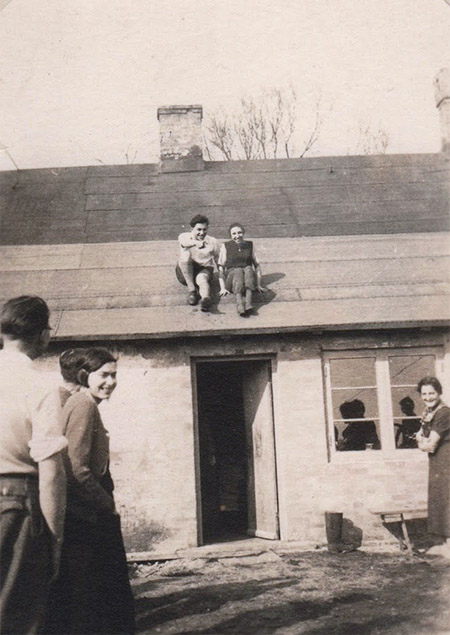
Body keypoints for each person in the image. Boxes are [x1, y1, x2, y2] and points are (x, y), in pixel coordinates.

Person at [45, 347, 135, 634]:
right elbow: (76, 468)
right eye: (104, 375)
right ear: (85, 376)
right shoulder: (84, 405)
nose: (111, 382)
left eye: (114, 375)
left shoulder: (80, 402)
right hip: (86, 511)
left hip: (84, 506)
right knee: (96, 589)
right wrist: (105, 503)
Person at [0, 295, 67, 635]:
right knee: (17, 612)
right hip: (14, 505)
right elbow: (51, 469)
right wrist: (55, 539)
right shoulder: (40, 385)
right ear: (43, 335)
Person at [415, 376, 450, 558]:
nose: (428, 397)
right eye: (424, 394)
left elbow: (429, 444)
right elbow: (420, 435)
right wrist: (422, 440)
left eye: (431, 393)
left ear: (439, 393)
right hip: (438, 462)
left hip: (447, 461)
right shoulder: (428, 413)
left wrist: (422, 443)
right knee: (440, 499)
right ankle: (445, 543)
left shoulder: (443, 413)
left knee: (447, 499)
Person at [218, 222, 267, 316]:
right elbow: (221, 266)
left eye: (239, 233)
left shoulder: (250, 245)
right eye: (234, 234)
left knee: (248, 268)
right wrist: (222, 288)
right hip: (232, 280)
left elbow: (257, 265)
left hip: (247, 278)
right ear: (230, 235)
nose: (237, 236)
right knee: (238, 270)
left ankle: (248, 303)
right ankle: (239, 304)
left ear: (243, 233)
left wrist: (258, 284)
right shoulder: (226, 246)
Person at [176, 214, 220, 312]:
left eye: (204, 229)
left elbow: (218, 260)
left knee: (202, 279)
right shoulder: (184, 236)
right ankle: (192, 291)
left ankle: (205, 300)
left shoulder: (213, 241)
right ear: (191, 229)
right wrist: (196, 243)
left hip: (203, 268)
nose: (202, 233)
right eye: (198, 229)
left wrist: (223, 279)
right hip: (185, 270)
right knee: (185, 256)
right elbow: (184, 244)